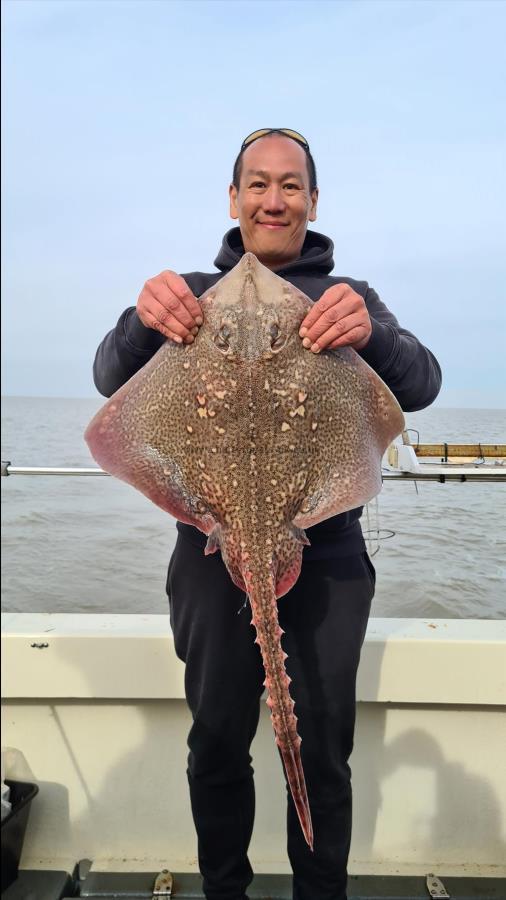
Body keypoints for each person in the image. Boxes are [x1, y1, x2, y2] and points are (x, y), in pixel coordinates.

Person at [93, 128, 442, 900]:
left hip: (328, 552)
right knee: (216, 740)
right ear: (234, 198)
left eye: (291, 185)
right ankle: (226, 890)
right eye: (258, 183)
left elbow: (421, 382)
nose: (274, 198)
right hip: (208, 550)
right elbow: (109, 374)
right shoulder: (189, 295)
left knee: (322, 748)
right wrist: (141, 318)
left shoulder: (349, 296)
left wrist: (371, 334)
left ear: (313, 202)